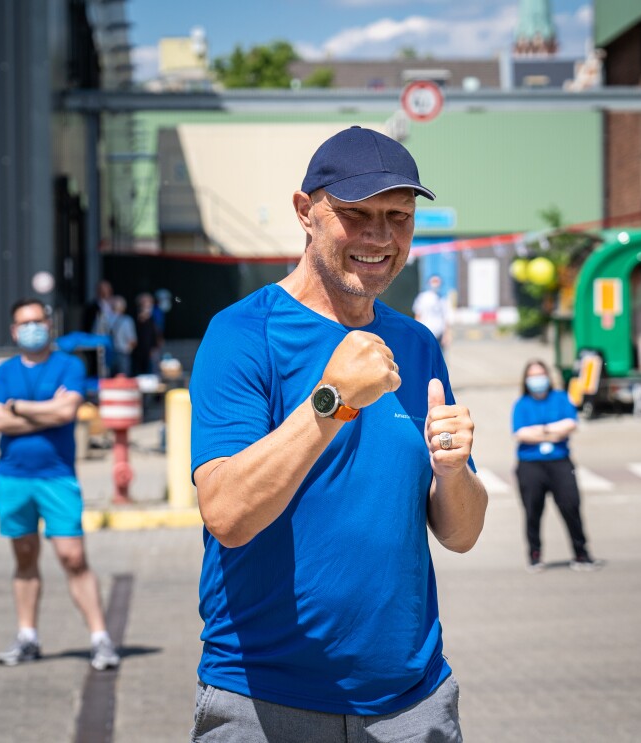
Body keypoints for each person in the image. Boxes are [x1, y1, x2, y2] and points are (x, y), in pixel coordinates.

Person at [188, 126, 488, 741]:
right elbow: (226, 512)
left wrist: (454, 471)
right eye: (356, 215)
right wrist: (332, 400)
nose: (380, 237)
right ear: (306, 212)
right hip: (266, 701)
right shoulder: (243, 334)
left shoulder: (416, 345)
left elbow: (461, 533)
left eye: (398, 218)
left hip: (412, 702)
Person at [0, 298, 120, 671]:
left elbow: (68, 411)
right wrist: (44, 412)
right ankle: (27, 637)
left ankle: (100, 639)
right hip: (12, 478)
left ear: (49, 324)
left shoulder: (69, 365)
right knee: (24, 556)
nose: (31, 328)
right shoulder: (3, 372)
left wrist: (19, 408)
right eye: (23, 323)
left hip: (57, 478)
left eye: (37, 321)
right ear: (13, 331)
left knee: (72, 557)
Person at [511, 359, 602, 573]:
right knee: (533, 510)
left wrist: (540, 431)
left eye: (540, 374)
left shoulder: (560, 398)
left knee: (571, 506)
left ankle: (581, 553)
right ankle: (534, 554)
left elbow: (571, 424)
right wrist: (553, 430)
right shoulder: (521, 404)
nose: (537, 380)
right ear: (526, 380)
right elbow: (520, 433)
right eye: (532, 376)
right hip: (530, 464)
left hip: (560, 461)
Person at [412, 274, 450, 349]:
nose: (435, 284)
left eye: (437, 281)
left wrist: (447, 335)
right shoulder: (423, 297)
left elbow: (446, 318)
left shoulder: (443, 299)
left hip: (439, 335)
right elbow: (418, 315)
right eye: (434, 281)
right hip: (426, 333)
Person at [131, 292, 162, 376]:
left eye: (149, 302)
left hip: (152, 349)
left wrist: (156, 344)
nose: (148, 304)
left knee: (152, 370)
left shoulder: (155, 314)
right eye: (145, 302)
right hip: (139, 350)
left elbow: (156, 331)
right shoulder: (135, 316)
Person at [109, 296, 137, 377]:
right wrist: (128, 350)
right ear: (123, 308)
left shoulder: (104, 319)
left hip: (107, 355)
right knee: (123, 382)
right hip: (123, 354)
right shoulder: (127, 320)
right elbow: (132, 340)